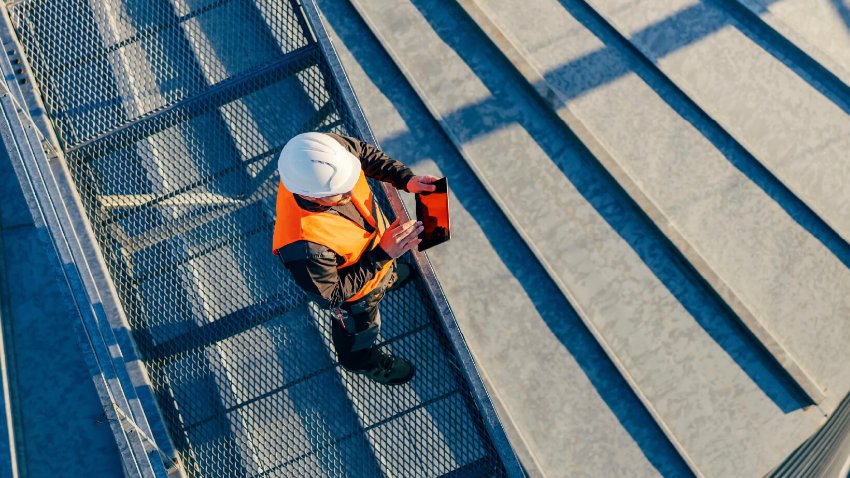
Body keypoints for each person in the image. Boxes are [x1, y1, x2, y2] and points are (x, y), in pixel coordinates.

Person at [272, 132, 439, 385]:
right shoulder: (303, 245)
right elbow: (332, 296)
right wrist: (383, 254)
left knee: (384, 267)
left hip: (378, 253)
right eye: (339, 193)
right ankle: (361, 361)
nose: (350, 193)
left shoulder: (324, 152)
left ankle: (386, 277)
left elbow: (365, 154)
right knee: (359, 331)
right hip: (358, 298)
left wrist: (405, 179)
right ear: (310, 197)